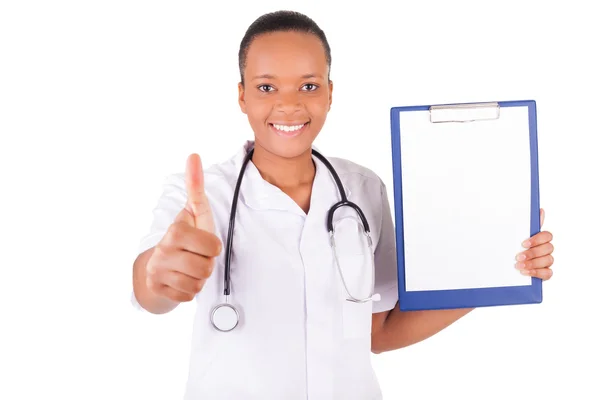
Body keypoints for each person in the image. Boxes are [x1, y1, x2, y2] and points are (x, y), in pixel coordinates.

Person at [131, 10, 556, 399]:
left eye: (309, 86)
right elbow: (150, 289)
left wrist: (496, 271)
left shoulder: (363, 190)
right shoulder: (201, 195)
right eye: (266, 87)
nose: (290, 104)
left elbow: (379, 330)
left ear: (330, 94)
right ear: (242, 96)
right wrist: (160, 274)